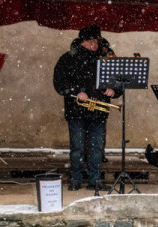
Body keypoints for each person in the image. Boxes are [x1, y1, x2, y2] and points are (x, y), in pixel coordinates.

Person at [53, 25, 122, 191]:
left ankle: (95, 180)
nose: (96, 44)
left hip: (98, 113)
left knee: (96, 148)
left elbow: (117, 82)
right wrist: (77, 92)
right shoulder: (67, 59)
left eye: (96, 41)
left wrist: (114, 91)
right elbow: (59, 83)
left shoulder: (103, 59)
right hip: (76, 111)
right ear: (86, 42)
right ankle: (75, 179)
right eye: (94, 41)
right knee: (76, 148)